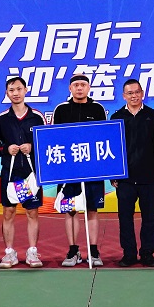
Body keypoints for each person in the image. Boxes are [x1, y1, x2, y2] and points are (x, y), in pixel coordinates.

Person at [52, 74, 108, 267]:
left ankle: (93, 251)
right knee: (70, 210)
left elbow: (103, 137)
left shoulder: (97, 109)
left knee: (92, 209)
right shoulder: (61, 109)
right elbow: (54, 138)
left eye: (83, 84)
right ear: (70, 88)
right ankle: (73, 250)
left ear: (88, 88)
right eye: (75, 85)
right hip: (68, 170)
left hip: (92, 170)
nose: (79, 88)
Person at [111, 78, 154, 267]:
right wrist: (114, 175)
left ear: (142, 94)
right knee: (125, 219)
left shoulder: (153, 116)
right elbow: (112, 148)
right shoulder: (117, 117)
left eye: (137, 92)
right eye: (130, 93)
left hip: (149, 177)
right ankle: (129, 254)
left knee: (149, 218)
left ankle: (147, 254)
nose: (134, 96)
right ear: (124, 96)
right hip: (124, 179)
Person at [0, 76, 46, 268]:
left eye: (19, 89)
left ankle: (32, 251)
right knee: (8, 212)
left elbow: (46, 142)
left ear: (25, 90)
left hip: (31, 174)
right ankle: (9, 253)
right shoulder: (2, 118)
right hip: (10, 173)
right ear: (7, 93)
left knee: (32, 212)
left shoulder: (37, 117)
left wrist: (32, 146)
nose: (15, 93)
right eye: (11, 90)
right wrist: (6, 149)